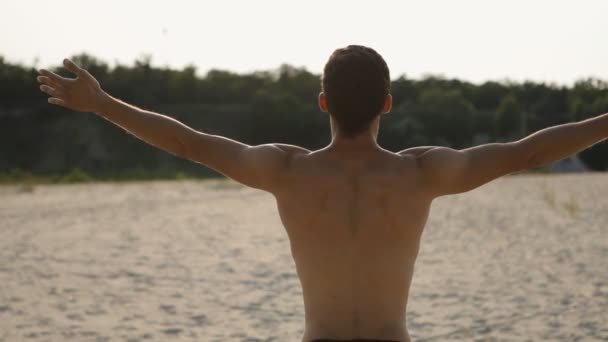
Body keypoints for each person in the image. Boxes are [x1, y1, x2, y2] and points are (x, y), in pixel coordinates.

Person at [37, 45, 607, 342]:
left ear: (322, 102)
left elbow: (188, 143)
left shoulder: (289, 171)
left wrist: (102, 103)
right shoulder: (421, 174)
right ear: (388, 103)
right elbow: (529, 150)